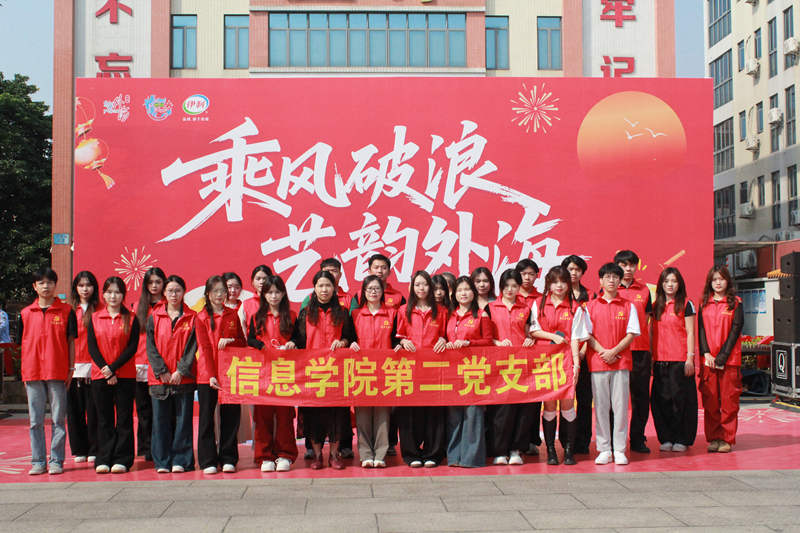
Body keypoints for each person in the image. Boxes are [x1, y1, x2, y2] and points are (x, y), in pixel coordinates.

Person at [290, 271, 356, 470]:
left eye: (328, 285)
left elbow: (350, 337)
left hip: (336, 371)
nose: (324, 289)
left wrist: (342, 342)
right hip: (312, 371)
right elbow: (298, 339)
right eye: (320, 285)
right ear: (314, 288)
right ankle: (317, 455)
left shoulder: (342, 311)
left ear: (334, 288)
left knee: (336, 413)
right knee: (314, 414)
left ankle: (334, 455)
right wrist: (292, 344)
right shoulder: (306, 312)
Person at [20, 267, 77, 475]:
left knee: (58, 419)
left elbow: (71, 343)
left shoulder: (67, 311)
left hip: (57, 370)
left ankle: (56, 461)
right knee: (35, 421)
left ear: (55, 285)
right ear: (34, 287)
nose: (46, 286)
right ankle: (37, 461)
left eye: (50, 282)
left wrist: (71, 369)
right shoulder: (25, 313)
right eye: (41, 283)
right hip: (32, 371)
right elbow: (22, 345)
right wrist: (24, 373)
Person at [584, 263, 640, 466]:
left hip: (621, 363)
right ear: (600, 280)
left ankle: (619, 449)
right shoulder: (590, 306)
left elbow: (631, 334)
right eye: (607, 277)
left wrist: (614, 351)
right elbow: (587, 334)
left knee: (620, 408)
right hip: (598, 363)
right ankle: (604, 449)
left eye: (615, 277)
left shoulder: (628, 306)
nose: (611, 280)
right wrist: (603, 352)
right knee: (600, 408)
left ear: (620, 280)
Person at [530, 266, 586, 466]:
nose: (559, 285)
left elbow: (576, 337)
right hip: (544, 361)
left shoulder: (575, 307)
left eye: (563, 281)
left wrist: (576, 365)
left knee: (568, 404)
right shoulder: (539, 304)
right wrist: (552, 336)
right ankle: (551, 450)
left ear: (569, 284)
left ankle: (569, 450)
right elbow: (533, 330)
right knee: (549, 405)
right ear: (548, 284)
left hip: (565, 361)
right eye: (554, 282)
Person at [396, 270, 447, 468]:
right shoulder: (403, 310)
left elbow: (446, 335)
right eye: (417, 285)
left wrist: (443, 339)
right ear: (412, 288)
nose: (421, 288)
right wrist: (403, 342)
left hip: (435, 369)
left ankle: (433, 454)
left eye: (425, 284)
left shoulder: (441, 311)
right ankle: (412, 454)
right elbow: (398, 336)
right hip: (410, 369)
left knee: (434, 412)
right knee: (410, 412)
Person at [248, 275, 299, 472]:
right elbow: (249, 339)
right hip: (263, 373)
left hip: (286, 372)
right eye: (269, 292)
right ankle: (264, 457)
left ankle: (285, 455)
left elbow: (299, 339)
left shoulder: (292, 316)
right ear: (263, 294)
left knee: (285, 416)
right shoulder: (257, 317)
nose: (274, 296)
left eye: (277, 292)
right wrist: (258, 344)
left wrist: (293, 343)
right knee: (262, 417)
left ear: (283, 293)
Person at [146, 275, 197, 473]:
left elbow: (192, 347)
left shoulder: (192, 317)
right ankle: (162, 462)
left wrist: (180, 371)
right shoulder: (155, 316)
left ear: (184, 292)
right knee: (160, 422)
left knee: (183, 421)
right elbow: (150, 346)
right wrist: (162, 371)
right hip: (159, 379)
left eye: (178, 290)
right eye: (170, 291)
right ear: (164, 293)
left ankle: (181, 461)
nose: (174, 294)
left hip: (183, 378)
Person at [87, 276, 139, 474]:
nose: (113, 296)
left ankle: (122, 459)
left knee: (124, 418)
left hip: (125, 375)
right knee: (104, 419)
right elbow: (92, 347)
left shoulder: (131, 318)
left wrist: (114, 368)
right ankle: (104, 458)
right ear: (103, 294)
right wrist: (106, 371)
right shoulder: (94, 318)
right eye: (109, 292)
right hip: (100, 376)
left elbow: (132, 347)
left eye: (117, 292)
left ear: (123, 295)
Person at [196, 275, 246, 474]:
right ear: (208, 293)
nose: (220, 294)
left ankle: (228, 458)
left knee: (230, 417)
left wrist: (231, 341)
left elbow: (242, 342)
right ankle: (208, 460)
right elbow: (205, 347)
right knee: (206, 419)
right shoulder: (200, 317)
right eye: (215, 291)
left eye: (223, 291)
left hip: (230, 374)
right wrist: (211, 375)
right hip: (207, 375)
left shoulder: (232, 314)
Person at [487, 269, 535, 466]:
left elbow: (531, 333)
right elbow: (485, 336)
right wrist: (497, 343)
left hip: (522, 364)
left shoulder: (526, 308)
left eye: (514, 286)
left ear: (519, 287)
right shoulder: (490, 307)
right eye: (506, 286)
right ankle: (500, 451)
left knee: (523, 409)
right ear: (500, 287)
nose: (510, 289)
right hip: (499, 365)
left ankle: (516, 450)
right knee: (502, 410)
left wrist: (530, 340)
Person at [350, 275, 398, 468]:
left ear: (382, 291)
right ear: (363, 292)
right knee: (362, 416)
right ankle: (365, 454)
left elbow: (397, 337)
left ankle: (380, 454)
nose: (373, 292)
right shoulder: (355, 314)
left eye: (377, 288)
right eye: (369, 288)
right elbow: (348, 337)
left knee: (383, 415)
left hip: (386, 370)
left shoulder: (392, 313)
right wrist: (350, 343)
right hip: (362, 370)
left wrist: (399, 344)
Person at [444, 276, 492, 468]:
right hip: (452, 370)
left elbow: (488, 341)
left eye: (467, 289)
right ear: (454, 294)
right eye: (459, 290)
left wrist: (468, 343)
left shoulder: (481, 314)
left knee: (473, 414)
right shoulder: (449, 314)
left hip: (474, 370)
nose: (463, 293)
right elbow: (443, 336)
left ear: (473, 292)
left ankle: (472, 458)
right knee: (454, 415)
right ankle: (454, 457)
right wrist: (444, 342)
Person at [650, 267, 698, 453]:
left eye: (674, 281)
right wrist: (651, 357)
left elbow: (691, 332)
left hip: (679, 361)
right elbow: (652, 333)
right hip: (659, 361)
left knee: (681, 401)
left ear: (680, 284)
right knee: (662, 401)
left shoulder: (686, 304)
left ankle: (682, 438)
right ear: (661, 284)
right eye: (666, 281)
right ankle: (666, 437)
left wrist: (690, 359)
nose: (670, 285)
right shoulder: (656, 306)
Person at [698, 265, 743, 454]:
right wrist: (706, 353)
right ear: (710, 282)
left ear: (727, 281)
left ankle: (726, 438)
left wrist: (723, 356)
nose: (718, 283)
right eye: (714, 279)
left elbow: (736, 329)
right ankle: (714, 437)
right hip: (709, 361)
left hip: (729, 361)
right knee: (710, 402)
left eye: (721, 279)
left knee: (729, 402)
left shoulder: (736, 303)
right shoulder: (703, 303)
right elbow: (700, 330)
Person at [614, 250, 653, 454]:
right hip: (617, 352)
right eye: (623, 265)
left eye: (631, 265)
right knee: (616, 399)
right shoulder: (610, 289)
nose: (628, 269)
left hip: (639, 351)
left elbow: (646, 320)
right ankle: (615, 440)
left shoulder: (645, 290)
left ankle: (638, 438)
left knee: (640, 397)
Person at [561, 255, 596, 455]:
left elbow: (594, 326)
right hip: (561, 357)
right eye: (569, 269)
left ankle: (582, 440)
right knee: (563, 399)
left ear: (582, 272)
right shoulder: (558, 294)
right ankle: (566, 440)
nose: (573, 273)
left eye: (577, 269)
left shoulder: (590, 296)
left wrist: (583, 350)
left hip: (585, 356)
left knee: (584, 399)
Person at [132, 267, 166, 462]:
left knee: (161, 410)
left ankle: (162, 445)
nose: (154, 286)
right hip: (139, 365)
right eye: (150, 282)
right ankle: (146, 448)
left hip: (161, 366)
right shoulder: (136, 306)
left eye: (158, 282)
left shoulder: (169, 305)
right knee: (143, 410)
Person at [67, 271, 99, 464]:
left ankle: (95, 448)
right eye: (81, 285)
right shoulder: (68, 310)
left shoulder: (101, 310)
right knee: (75, 412)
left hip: (95, 369)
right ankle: (80, 449)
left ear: (94, 288)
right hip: (72, 368)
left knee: (95, 412)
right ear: (75, 288)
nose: (85, 289)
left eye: (88, 285)